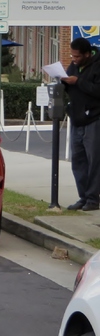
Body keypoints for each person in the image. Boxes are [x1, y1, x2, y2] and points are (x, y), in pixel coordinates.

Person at [62, 37, 100, 211]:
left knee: (94, 161)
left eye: (77, 56)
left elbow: (96, 90)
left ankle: (93, 199)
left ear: (87, 54)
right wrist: (64, 81)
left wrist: (78, 81)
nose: (74, 59)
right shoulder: (74, 66)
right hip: (77, 117)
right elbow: (71, 87)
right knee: (78, 161)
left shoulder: (97, 65)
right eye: (72, 56)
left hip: (94, 118)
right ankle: (83, 197)